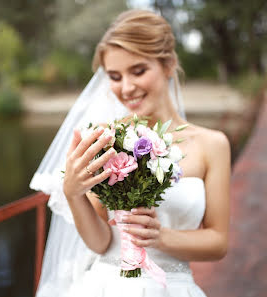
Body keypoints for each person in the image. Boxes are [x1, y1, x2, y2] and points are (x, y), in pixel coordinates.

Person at [30, 9, 231, 297]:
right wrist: (74, 194)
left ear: (169, 65)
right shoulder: (104, 138)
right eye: (114, 76)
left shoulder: (212, 145)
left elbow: (218, 242)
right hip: (106, 285)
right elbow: (100, 242)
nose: (126, 87)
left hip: (172, 287)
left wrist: (162, 237)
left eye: (138, 71)